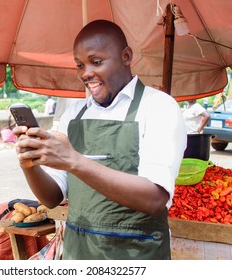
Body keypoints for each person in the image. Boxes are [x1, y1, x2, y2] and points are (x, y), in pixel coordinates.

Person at [13, 20, 186, 260]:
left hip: (137, 256)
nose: (86, 73)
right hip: (79, 253)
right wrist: (30, 165)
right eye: (79, 65)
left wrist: (74, 161)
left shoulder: (158, 107)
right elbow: (52, 198)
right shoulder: (74, 114)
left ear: (126, 56)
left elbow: (155, 198)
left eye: (96, 62)